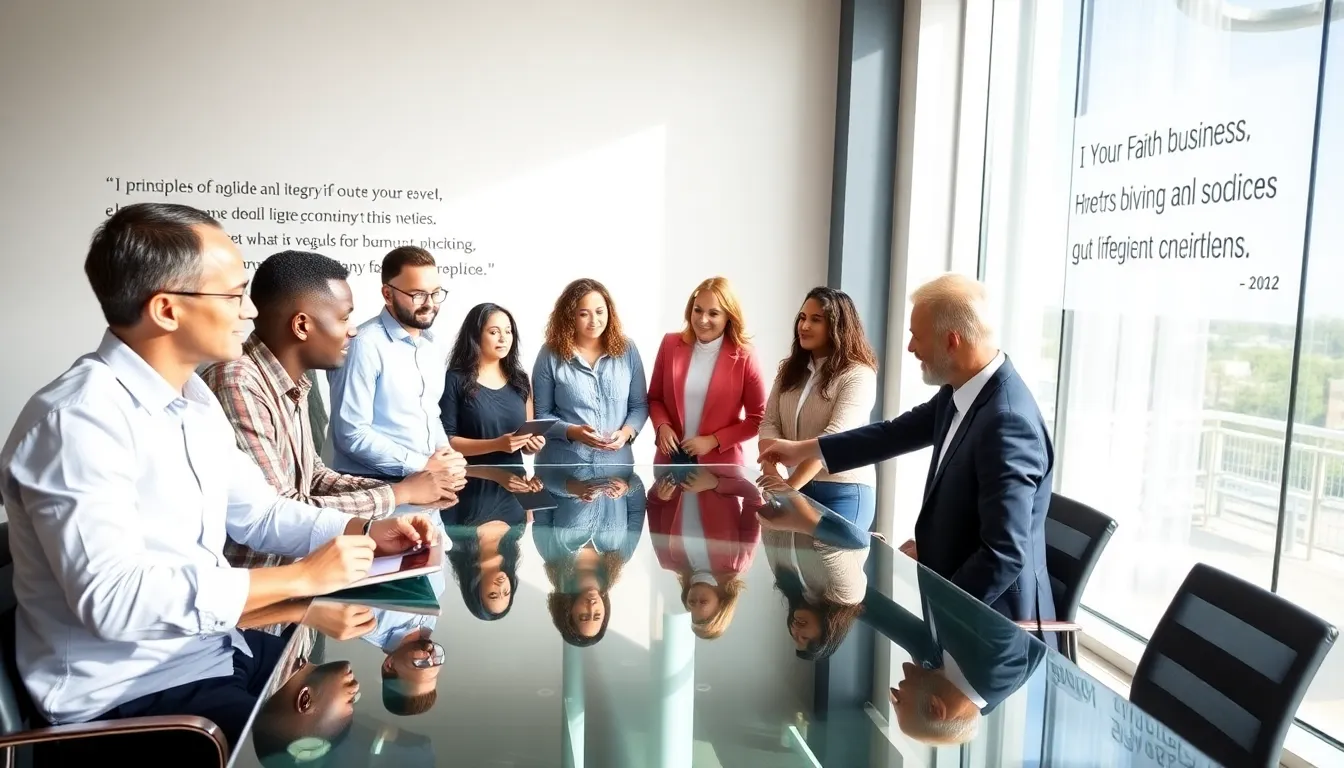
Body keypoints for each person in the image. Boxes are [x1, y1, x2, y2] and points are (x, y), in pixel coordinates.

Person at [0, 203, 438, 753]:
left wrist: (361, 534)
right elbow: (113, 600)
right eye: (233, 295)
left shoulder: (193, 398)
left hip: (210, 653)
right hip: (131, 705)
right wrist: (300, 579)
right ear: (166, 309)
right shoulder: (77, 420)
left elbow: (260, 513)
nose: (251, 311)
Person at [760, 274, 1057, 628]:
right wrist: (802, 450)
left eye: (917, 336)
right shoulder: (961, 390)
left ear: (951, 342)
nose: (910, 348)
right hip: (952, 588)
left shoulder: (1007, 422)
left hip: (991, 628)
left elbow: (1004, 556)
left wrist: (935, 626)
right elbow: (890, 435)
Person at [202, 249, 466, 573]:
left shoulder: (292, 385)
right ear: (302, 325)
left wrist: (409, 490)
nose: (351, 330)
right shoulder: (239, 383)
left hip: (296, 584)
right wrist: (400, 493)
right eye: (344, 318)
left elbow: (313, 477)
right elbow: (282, 511)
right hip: (257, 600)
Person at [328, 246, 458, 478]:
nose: (430, 303)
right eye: (418, 295)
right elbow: (351, 434)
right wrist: (423, 465)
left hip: (426, 483)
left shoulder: (432, 345)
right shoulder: (363, 345)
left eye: (436, 293)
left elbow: (429, 413)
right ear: (388, 294)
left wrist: (446, 454)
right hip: (373, 489)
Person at [757, 287, 879, 529]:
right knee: (784, 566)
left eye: (815, 319)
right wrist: (771, 472)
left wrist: (790, 487)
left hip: (842, 491)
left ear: (837, 326)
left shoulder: (858, 374)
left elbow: (835, 438)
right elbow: (769, 423)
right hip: (792, 486)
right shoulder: (789, 371)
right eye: (802, 318)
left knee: (830, 565)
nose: (804, 326)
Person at [647, 277, 767, 466]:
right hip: (670, 462)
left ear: (728, 316)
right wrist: (662, 426)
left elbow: (758, 419)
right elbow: (655, 398)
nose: (703, 320)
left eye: (713, 313)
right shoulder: (669, 344)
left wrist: (713, 440)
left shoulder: (745, 356)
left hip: (721, 468)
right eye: (698, 310)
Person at [532, 278, 648, 463]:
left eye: (600, 312)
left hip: (616, 469)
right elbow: (540, 415)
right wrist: (572, 432)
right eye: (584, 314)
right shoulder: (550, 354)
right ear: (570, 316)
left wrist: (626, 433)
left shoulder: (627, 349)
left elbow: (639, 406)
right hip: (563, 469)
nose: (594, 321)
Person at [647, 465, 761, 639]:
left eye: (691, 603)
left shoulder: (668, 560)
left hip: (677, 461)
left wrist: (660, 495)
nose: (695, 600)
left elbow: (654, 504)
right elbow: (754, 498)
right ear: (721, 601)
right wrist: (716, 484)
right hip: (716, 460)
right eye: (703, 602)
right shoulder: (739, 561)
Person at [440, 302, 545, 465]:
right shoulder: (454, 379)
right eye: (494, 332)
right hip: (469, 481)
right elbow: (447, 442)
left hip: (513, 483)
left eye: (508, 331)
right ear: (475, 336)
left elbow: (525, 438)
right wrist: (496, 445)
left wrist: (532, 446)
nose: (503, 338)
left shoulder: (520, 380)